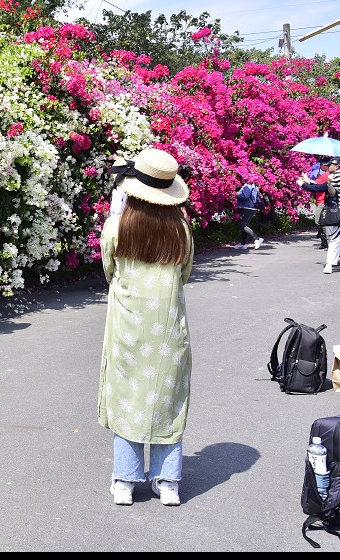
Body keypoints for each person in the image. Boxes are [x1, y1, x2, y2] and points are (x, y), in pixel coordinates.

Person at [98, 147, 194, 508]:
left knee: (128, 398)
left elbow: (109, 271)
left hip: (128, 327)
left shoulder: (116, 225)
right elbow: (183, 275)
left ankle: (125, 481)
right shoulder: (181, 230)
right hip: (169, 329)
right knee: (169, 402)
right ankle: (168, 483)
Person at [298, 156, 338, 250]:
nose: (320, 166)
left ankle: (327, 241)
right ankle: (327, 242)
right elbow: (316, 184)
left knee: (320, 221)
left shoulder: (328, 176)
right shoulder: (327, 175)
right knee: (323, 222)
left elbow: (317, 187)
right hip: (322, 201)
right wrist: (306, 179)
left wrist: (304, 184)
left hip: (324, 202)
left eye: (322, 164)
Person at [324, 152, 340, 273]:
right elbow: (333, 193)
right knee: (337, 237)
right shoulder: (338, 175)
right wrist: (329, 183)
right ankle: (329, 263)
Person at [233, 180, 265, 250]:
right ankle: (243, 244)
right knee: (244, 226)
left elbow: (244, 196)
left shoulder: (247, 185)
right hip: (252, 208)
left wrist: (235, 193)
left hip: (247, 208)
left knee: (242, 225)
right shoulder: (254, 186)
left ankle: (257, 238)